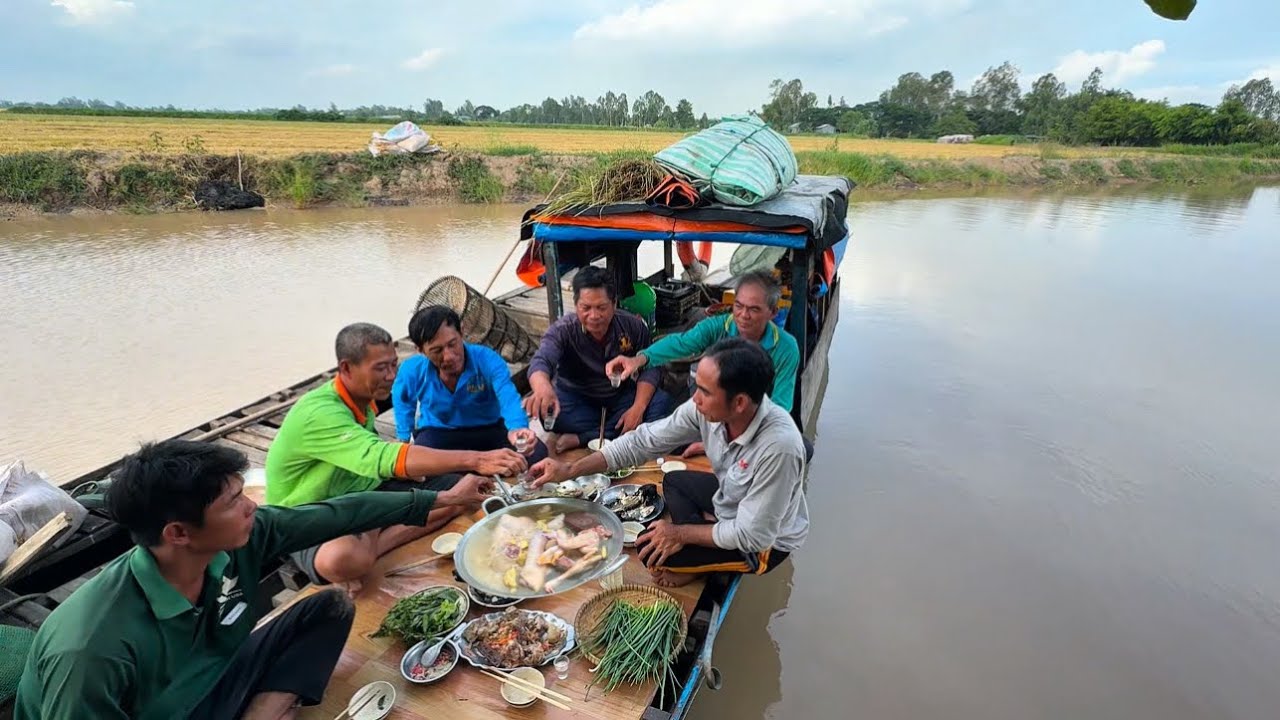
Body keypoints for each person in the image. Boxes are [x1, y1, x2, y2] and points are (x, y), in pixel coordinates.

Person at [15, 440, 493, 720]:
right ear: (178, 533)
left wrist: (445, 499)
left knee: (329, 607)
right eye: (233, 502)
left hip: (212, 681)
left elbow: (335, 513)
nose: (251, 507)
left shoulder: (242, 537)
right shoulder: (90, 649)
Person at [529, 338, 807, 588]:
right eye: (696, 386)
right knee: (674, 481)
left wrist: (679, 533)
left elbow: (752, 536)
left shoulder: (779, 447)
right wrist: (570, 469)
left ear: (740, 403)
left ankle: (700, 563)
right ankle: (704, 543)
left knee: (651, 557)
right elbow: (643, 441)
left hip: (764, 544)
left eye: (705, 392)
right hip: (733, 503)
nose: (694, 399)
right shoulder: (704, 409)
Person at [265, 322, 526, 586]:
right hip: (308, 513)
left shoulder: (361, 399)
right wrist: (478, 459)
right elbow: (383, 456)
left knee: (466, 491)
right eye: (380, 368)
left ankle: (375, 541)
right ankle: (375, 531)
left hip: (363, 493)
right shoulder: (319, 413)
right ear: (346, 368)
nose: (391, 375)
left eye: (392, 364)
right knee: (343, 558)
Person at [607, 270, 799, 458]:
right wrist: (639, 359)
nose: (743, 315)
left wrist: (727, 443)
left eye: (754, 309)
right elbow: (681, 342)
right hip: (717, 412)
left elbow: (780, 406)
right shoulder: (719, 326)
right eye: (738, 306)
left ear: (773, 312)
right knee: (674, 448)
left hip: (755, 423)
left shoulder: (786, 348)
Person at [523, 266, 673, 454]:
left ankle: (583, 437)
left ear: (614, 303)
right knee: (549, 414)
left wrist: (637, 408)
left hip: (620, 397)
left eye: (601, 307)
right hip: (577, 401)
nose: (594, 316)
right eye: (586, 308)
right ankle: (611, 433)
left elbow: (651, 367)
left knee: (661, 402)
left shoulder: (632, 326)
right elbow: (541, 360)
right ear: (576, 304)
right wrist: (543, 388)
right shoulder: (563, 330)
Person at [392, 305, 547, 463]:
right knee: (421, 465)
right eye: (437, 351)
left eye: (452, 344)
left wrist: (517, 428)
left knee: (536, 453)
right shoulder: (411, 370)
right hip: (439, 432)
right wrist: (404, 438)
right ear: (420, 350)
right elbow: (403, 400)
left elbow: (508, 398)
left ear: (462, 332)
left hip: (489, 429)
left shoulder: (488, 360)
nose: (449, 356)